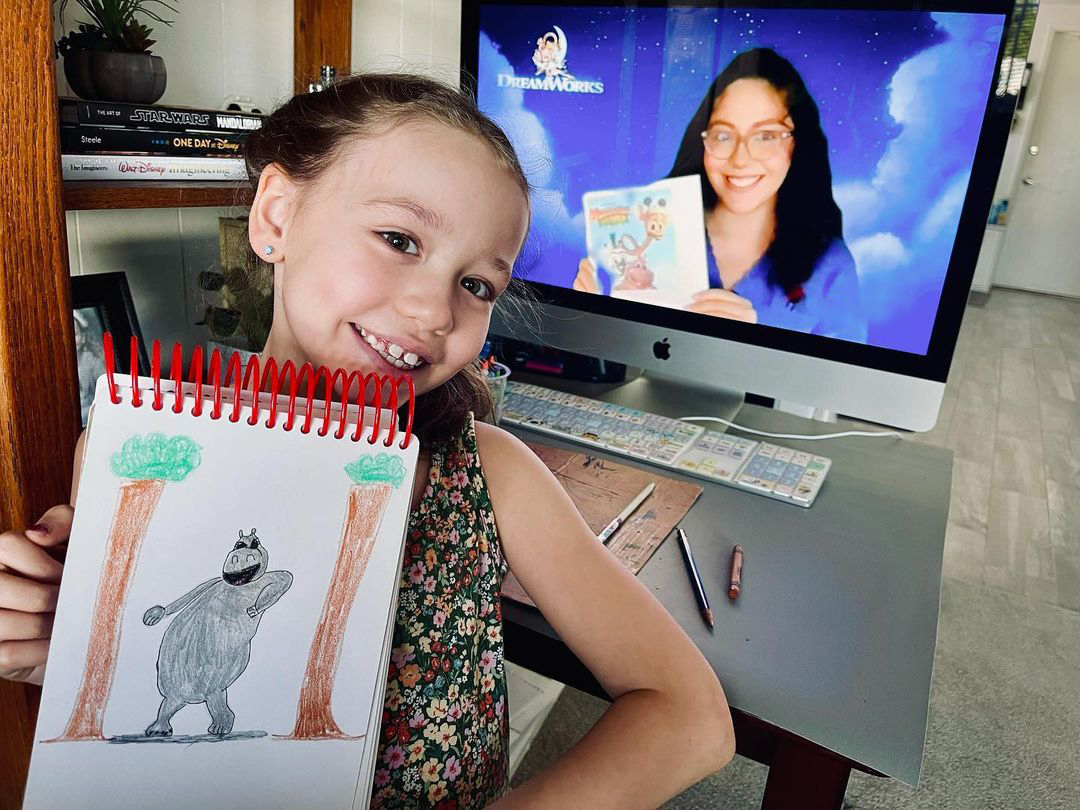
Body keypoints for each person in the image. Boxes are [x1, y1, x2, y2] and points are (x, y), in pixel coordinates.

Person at [0, 74, 734, 807]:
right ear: (278, 216)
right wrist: (55, 646)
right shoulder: (136, 446)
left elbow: (691, 716)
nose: (432, 310)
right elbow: (128, 680)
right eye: (399, 239)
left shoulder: (490, 476)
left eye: (477, 284)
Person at [576, 48, 867, 342]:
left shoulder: (831, 263)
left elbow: (848, 379)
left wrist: (760, 330)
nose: (740, 159)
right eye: (723, 135)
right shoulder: (647, 227)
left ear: (798, 143)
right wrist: (591, 316)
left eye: (766, 136)